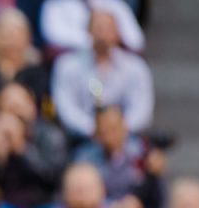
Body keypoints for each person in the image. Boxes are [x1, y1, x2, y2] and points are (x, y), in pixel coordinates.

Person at [51, 10, 153, 139]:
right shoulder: (67, 65)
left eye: (108, 29)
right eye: (98, 28)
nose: (103, 34)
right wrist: (94, 129)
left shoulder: (136, 67)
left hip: (126, 138)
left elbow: (141, 110)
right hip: (81, 138)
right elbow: (65, 108)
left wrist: (117, 130)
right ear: (88, 31)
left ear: (117, 33)